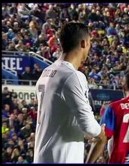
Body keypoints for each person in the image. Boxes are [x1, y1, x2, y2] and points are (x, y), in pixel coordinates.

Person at [33, 22, 105, 163]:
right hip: (61, 158)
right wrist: (101, 133)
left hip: (42, 156)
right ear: (84, 43)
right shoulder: (72, 76)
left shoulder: (46, 73)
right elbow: (88, 125)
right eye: (90, 43)